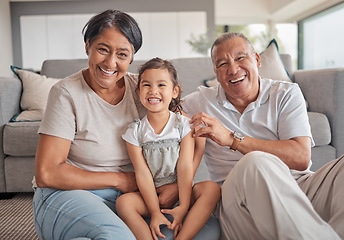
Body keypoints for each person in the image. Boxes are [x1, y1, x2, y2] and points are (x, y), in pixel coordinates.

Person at [32, 9, 219, 240]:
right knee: (116, 236)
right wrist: (120, 180)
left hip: (134, 197)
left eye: (122, 54)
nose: (110, 62)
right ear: (87, 45)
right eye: (102, 49)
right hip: (73, 193)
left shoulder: (144, 88)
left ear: (131, 57)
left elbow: (185, 133)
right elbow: (47, 174)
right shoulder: (65, 93)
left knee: (207, 230)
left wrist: (177, 187)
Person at [182, 32, 344, 239]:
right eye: (222, 64)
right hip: (239, 204)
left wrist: (233, 140)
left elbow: (301, 158)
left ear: (257, 60)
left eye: (241, 58)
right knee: (255, 162)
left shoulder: (286, 93)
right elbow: (157, 98)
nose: (233, 69)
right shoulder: (197, 102)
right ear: (215, 71)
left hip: (300, 186)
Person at [116, 57, 221, 240]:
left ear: (175, 91)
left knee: (211, 189)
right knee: (124, 203)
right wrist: (155, 212)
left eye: (161, 85)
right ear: (138, 91)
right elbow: (142, 174)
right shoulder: (135, 132)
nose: (153, 91)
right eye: (146, 85)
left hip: (183, 190)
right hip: (152, 195)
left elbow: (185, 166)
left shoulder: (182, 125)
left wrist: (183, 204)